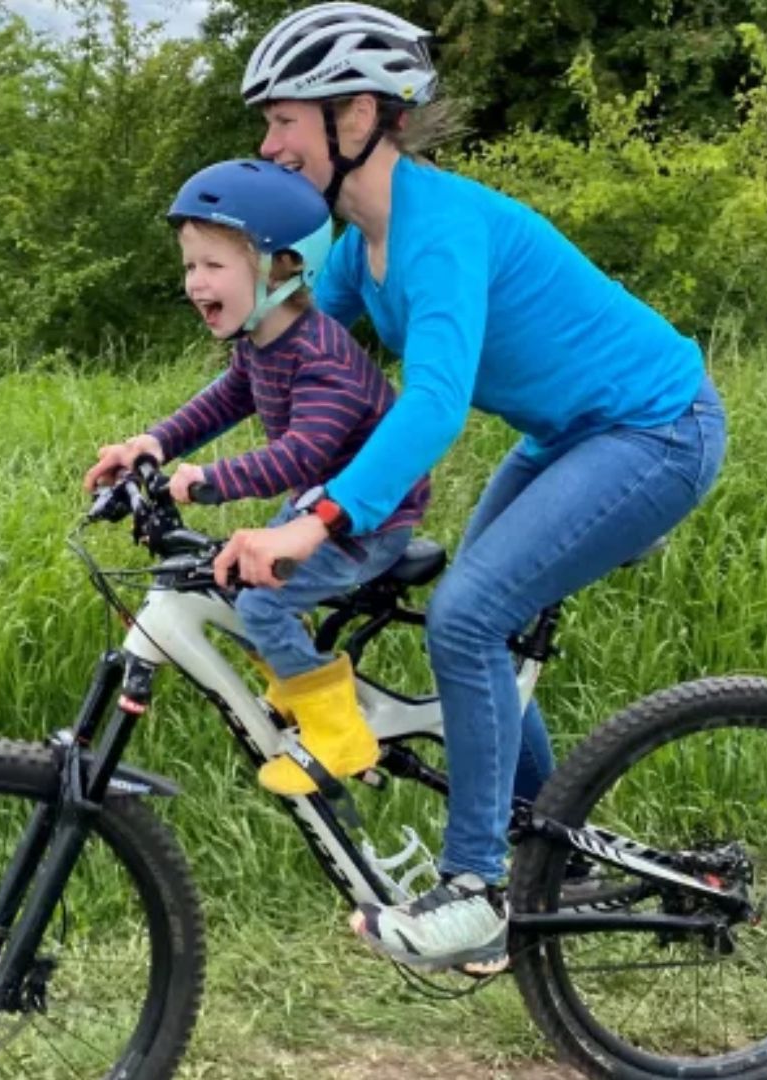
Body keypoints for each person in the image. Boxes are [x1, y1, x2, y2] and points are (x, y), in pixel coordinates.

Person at [212, 2, 729, 972]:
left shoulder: (437, 231)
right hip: (569, 439)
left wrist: (318, 522)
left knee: (466, 618)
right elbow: (285, 366)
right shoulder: (355, 252)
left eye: (284, 119)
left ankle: (477, 889)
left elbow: (435, 404)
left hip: (656, 429)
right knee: (477, 628)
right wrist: (169, 454)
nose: (269, 144)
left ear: (356, 119)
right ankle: (548, 855)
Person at [83, 158, 433, 797]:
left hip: (366, 520)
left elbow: (301, 453)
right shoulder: (261, 341)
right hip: (315, 506)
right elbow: (222, 402)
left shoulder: (321, 355)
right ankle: (300, 689)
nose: (195, 282)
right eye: (190, 265)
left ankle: (339, 736)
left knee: (263, 605)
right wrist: (152, 444)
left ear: (283, 267)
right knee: (232, 576)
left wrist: (207, 481)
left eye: (214, 265)